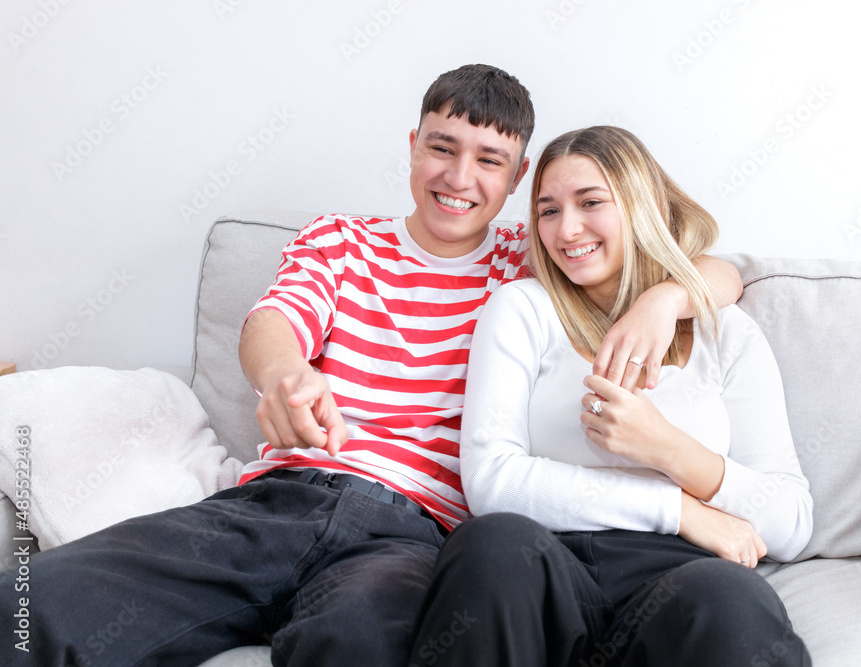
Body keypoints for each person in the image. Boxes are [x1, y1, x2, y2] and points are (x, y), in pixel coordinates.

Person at [0, 69, 743, 666]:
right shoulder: (341, 239)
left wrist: (667, 298)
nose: (459, 176)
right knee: (30, 609)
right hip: (274, 505)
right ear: (413, 144)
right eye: (442, 147)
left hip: (413, 535)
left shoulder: (534, 257)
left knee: (359, 643)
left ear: (516, 179)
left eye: (489, 160)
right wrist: (286, 372)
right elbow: (273, 322)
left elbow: (727, 270)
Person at [409, 126, 814, 667]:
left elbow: (790, 522)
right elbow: (492, 482)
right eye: (548, 210)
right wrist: (676, 509)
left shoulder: (726, 333)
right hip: (546, 564)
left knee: (731, 603)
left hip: (681, 577)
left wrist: (667, 448)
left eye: (590, 202)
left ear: (639, 207)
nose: (566, 229)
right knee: (492, 546)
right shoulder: (522, 309)